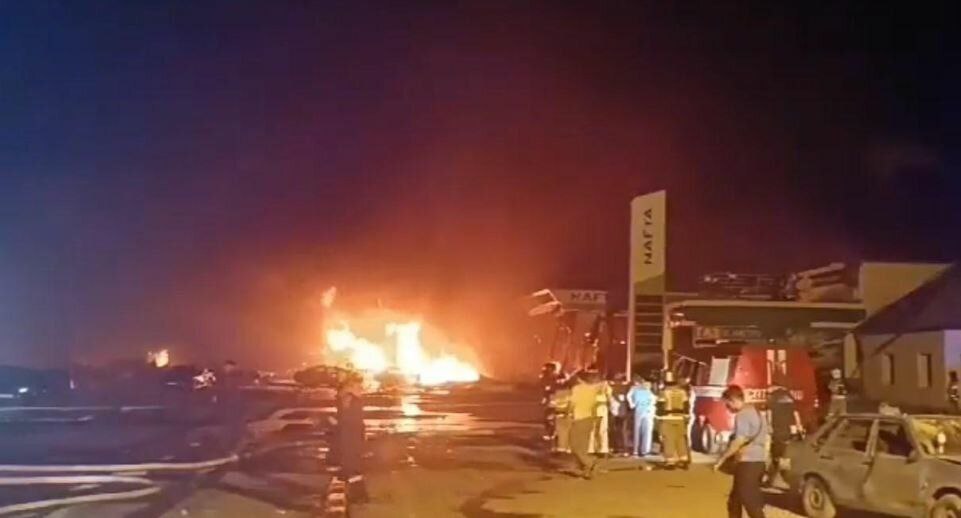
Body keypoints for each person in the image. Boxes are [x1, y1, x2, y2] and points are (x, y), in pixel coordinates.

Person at [713, 384, 768, 518]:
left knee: (749, 500)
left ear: (732, 400)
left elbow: (738, 441)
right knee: (735, 500)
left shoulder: (742, 414)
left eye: (727, 404)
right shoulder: (757, 412)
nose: (728, 408)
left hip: (748, 462)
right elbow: (767, 437)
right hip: (759, 461)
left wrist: (722, 459)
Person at [332, 377, 369, 503]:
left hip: (351, 438)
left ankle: (359, 495)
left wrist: (336, 422)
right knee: (351, 467)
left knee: (353, 467)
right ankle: (358, 494)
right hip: (349, 438)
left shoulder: (352, 402)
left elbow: (351, 421)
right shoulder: (348, 401)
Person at [764, 385, 803, 487]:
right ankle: (785, 477)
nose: (766, 394)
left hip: (778, 430)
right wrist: (799, 427)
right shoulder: (789, 396)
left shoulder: (772, 398)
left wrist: (769, 427)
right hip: (789, 430)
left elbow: (769, 414)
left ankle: (774, 478)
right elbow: (796, 413)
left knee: (776, 455)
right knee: (786, 453)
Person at [569, 370, 603, 479]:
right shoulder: (593, 390)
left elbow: (572, 404)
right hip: (589, 418)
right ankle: (586, 470)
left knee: (574, 445)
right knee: (583, 446)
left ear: (579, 379)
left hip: (579, 418)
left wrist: (567, 413)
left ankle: (590, 462)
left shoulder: (577, 389)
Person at [656, 371, 690, 469]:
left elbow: (660, 406)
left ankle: (670, 461)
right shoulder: (682, 392)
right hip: (680, 418)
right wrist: (686, 417)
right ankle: (684, 459)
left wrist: (658, 418)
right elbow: (686, 405)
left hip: (668, 419)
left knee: (668, 440)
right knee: (680, 439)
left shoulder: (663, 392)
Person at [627, 377, 656, 457]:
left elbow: (653, 399)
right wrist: (632, 404)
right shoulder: (635, 388)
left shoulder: (649, 389)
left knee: (647, 430)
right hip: (639, 410)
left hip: (648, 411)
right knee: (637, 430)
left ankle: (645, 450)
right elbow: (629, 395)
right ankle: (636, 450)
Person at [589, 375, 612, 456]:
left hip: (601, 409)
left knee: (601, 429)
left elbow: (609, 399)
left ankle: (602, 449)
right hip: (594, 410)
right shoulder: (590, 387)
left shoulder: (606, 387)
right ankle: (593, 449)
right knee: (594, 430)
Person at [609, 374, 631, 456]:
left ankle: (618, 448)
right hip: (621, 412)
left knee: (617, 431)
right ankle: (622, 448)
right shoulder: (624, 389)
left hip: (617, 413)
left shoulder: (613, 389)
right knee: (622, 431)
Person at [549, 380, 574, 453]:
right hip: (569, 415)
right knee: (569, 431)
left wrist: (551, 415)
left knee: (560, 431)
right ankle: (569, 447)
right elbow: (573, 404)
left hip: (559, 415)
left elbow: (551, 406)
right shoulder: (571, 393)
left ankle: (561, 447)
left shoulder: (554, 395)